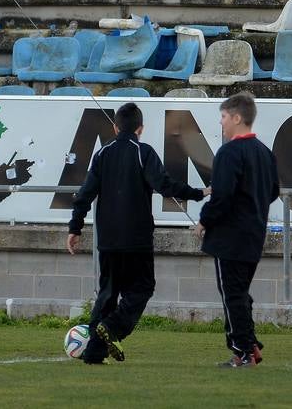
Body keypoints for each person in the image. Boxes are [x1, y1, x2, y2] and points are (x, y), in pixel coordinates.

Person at [67, 101, 210, 364]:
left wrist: (75, 227)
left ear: (114, 127)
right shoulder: (144, 153)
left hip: (108, 240)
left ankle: (94, 353)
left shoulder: (102, 154)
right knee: (142, 288)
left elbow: (84, 194)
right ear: (140, 129)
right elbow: (164, 185)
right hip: (137, 239)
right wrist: (198, 193)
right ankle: (113, 327)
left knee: (107, 293)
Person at [197, 92, 279, 369]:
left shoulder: (229, 152)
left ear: (237, 117)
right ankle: (251, 343)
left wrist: (204, 220)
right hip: (254, 235)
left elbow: (221, 196)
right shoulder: (264, 152)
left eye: (223, 117)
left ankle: (241, 351)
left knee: (232, 294)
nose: (221, 123)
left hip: (229, 237)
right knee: (241, 293)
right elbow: (273, 192)